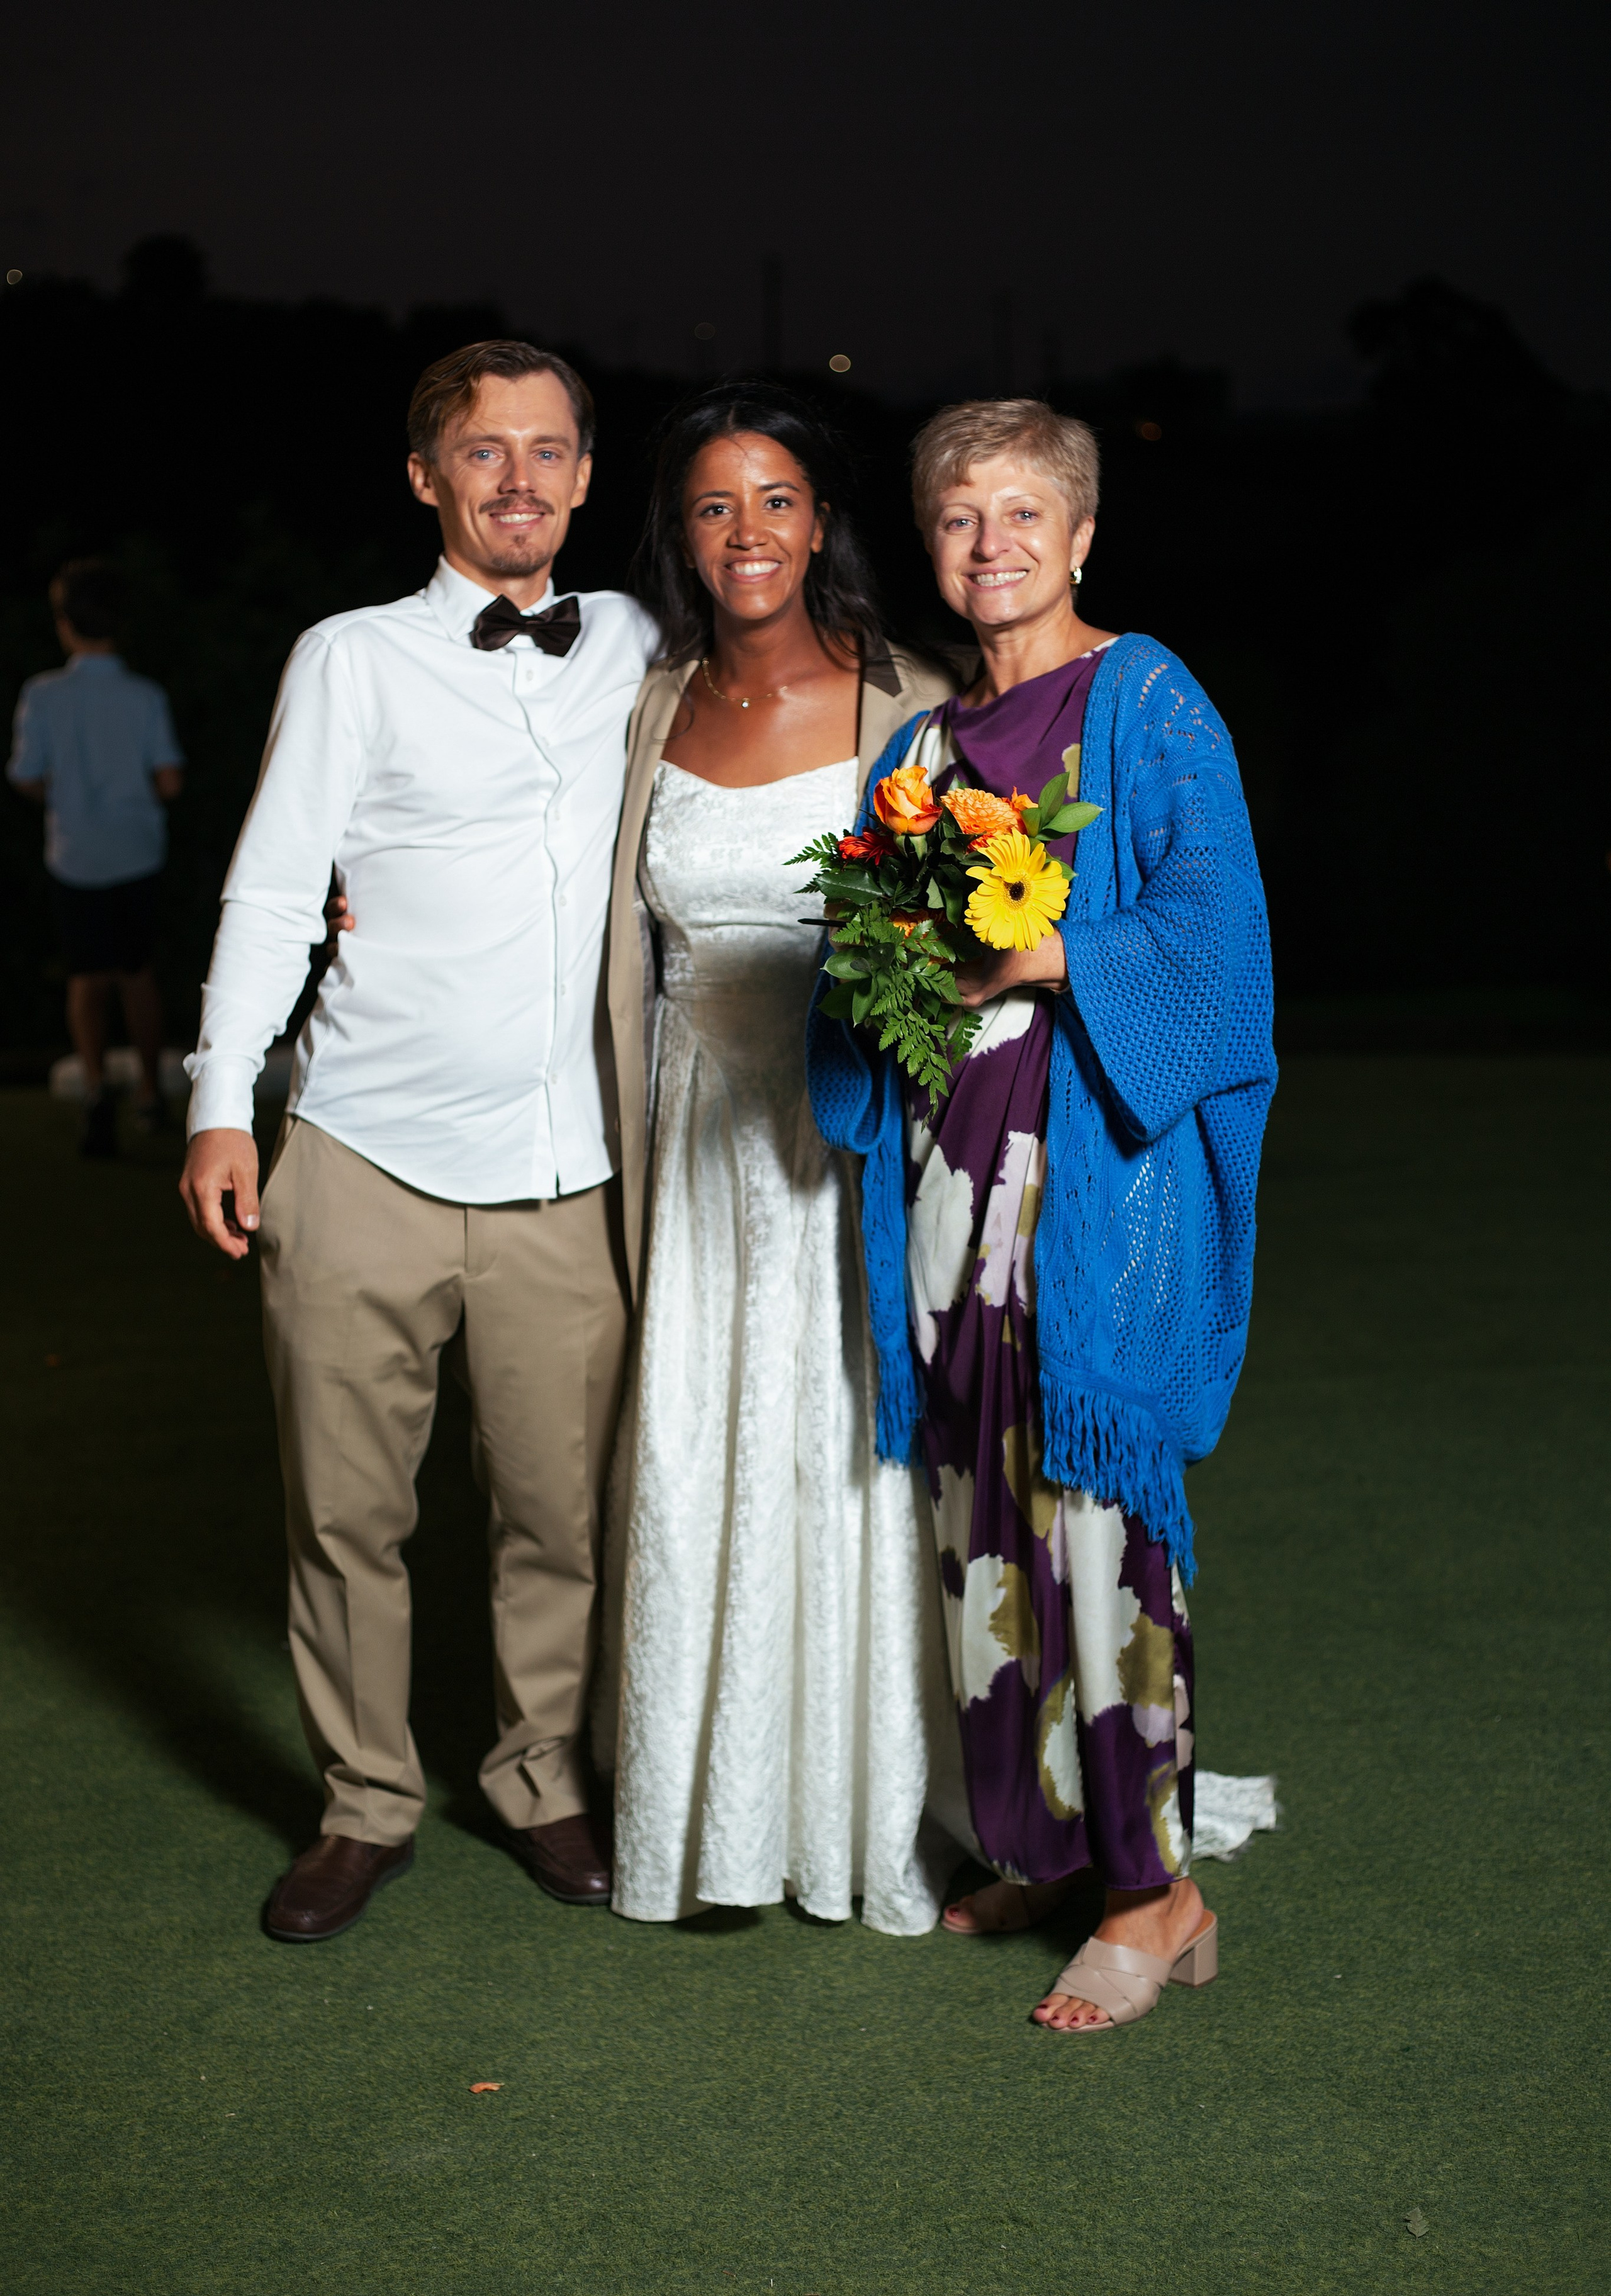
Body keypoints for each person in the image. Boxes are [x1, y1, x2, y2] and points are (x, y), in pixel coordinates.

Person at [179, 339, 658, 1942]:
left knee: (561, 1518)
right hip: (358, 1153)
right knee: (343, 1516)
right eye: (482, 450)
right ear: (425, 476)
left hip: (572, 1170)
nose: (517, 478)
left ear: (584, 476)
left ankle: (541, 1777)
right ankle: (363, 1804)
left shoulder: (642, 646)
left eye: (546, 448)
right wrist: (219, 1103)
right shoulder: (349, 658)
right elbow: (272, 891)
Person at [807, 399, 1277, 2029]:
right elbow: (858, 983)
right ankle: (1046, 1840)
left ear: (1080, 536)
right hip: (949, 1188)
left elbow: (1219, 944)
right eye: (958, 518)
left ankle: (1154, 1891)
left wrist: (1048, 952)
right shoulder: (917, 755)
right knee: (980, 1524)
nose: (989, 543)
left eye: (1022, 513)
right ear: (929, 547)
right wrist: (877, 977)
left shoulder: (1146, 699)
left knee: (1095, 1520)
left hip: (1098, 1189)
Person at [595, 383, 960, 1932]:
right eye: (711, 505)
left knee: (848, 1447)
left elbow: (976, 927)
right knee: (696, 1444)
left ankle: (866, 1802)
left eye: (774, 499)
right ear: (680, 537)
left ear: (819, 524)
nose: (745, 531)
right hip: (686, 1136)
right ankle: (702, 1819)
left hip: (848, 1139)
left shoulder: (915, 703)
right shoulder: (643, 706)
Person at [8, 560, 184, 1156]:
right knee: (138, 974)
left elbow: (25, 776)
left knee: (86, 980)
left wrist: (65, 791)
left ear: (64, 623)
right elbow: (170, 781)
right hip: (136, 851)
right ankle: (149, 1095)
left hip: (75, 855)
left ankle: (94, 1091)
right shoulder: (145, 696)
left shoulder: (42, 695)